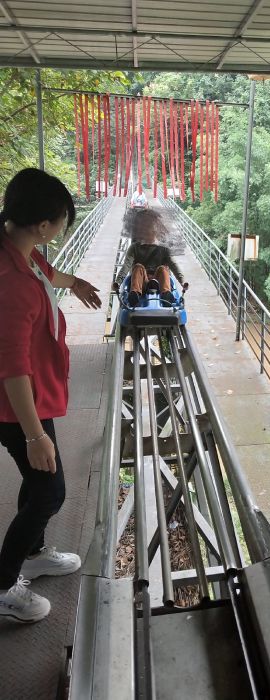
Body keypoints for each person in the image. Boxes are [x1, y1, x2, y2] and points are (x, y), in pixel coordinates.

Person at [0, 168, 101, 623]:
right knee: (50, 492)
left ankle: (34, 553)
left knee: (37, 481)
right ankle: (3, 586)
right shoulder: (11, 283)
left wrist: (75, 283)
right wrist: (35, 434)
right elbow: (12, 368)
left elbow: (50, 272)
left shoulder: (22, 251)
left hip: (36, 396)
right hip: (16, 407)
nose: (62, 228)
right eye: (61, 220)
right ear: (43, 225)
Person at [115, 208, 187, 306]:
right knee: (138, 267)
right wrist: (118, 282)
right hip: (142, 281)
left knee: (163, 268)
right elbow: (126, 265)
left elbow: (173, 265)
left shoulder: (164, 249)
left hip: (158, 280)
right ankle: (134, 294)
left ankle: (166, 295)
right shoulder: (135, 247)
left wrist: (183, 281)